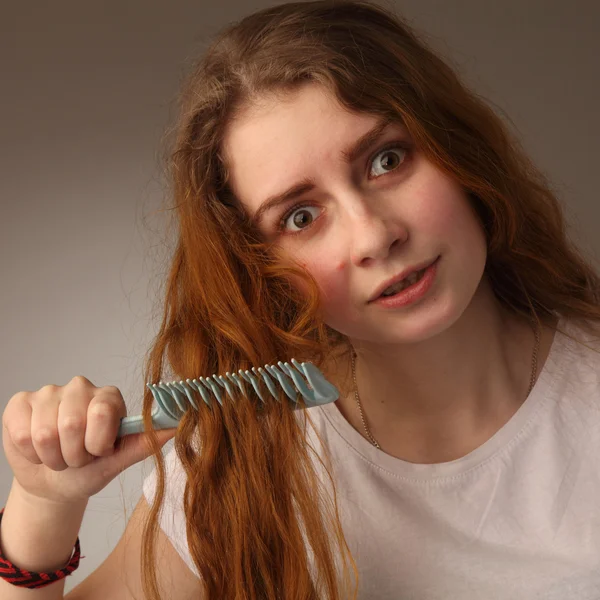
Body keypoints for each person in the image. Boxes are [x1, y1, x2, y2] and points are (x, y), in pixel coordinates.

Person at [2, 1, 600, 599]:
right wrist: (40, 504)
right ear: (262, 268)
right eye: (302, 216)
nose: (374, 235)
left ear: (459, 152)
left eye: (386, 160)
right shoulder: (247, 463)